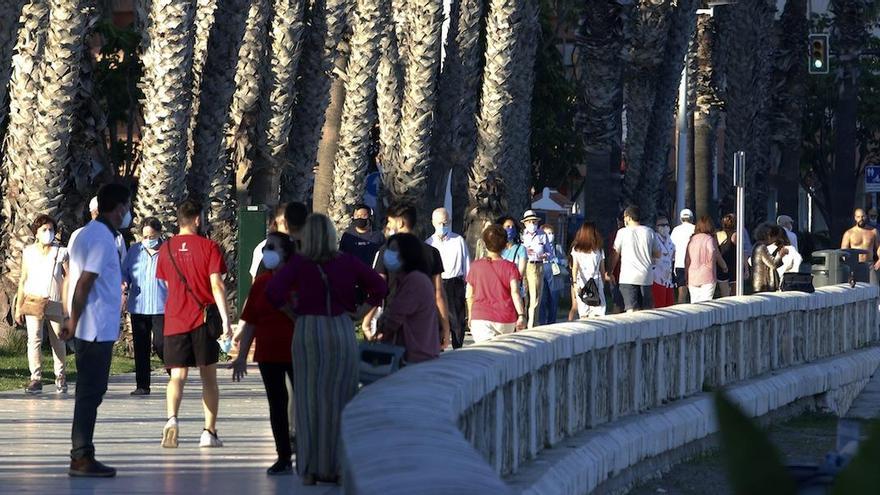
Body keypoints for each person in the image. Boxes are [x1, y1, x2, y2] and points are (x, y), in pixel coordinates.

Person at [266, 214, 387, 485]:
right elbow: (379, 286)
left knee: (308, 399)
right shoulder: (347, 261)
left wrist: (292, 313)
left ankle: (309, 468)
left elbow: (273, 291)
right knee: (340, 397)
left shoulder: (299, 263)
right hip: (340, 328)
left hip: (308, 330)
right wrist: (361, 312)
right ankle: (337, 466)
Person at [60, 183, 132, 477]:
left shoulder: (86, 234)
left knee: (91, 392)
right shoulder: (102, 238)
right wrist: (73, 320)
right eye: (126, 207)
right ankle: (81, 456)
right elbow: (84, 282)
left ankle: (82, 453)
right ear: (119, 209)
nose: (128, 213)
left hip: (93, 327)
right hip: (93, 328)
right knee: (90, 393)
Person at [156, 199, 233, 449]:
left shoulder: (165, 250)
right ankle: (208, 432)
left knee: (177, 375)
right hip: (202, 320)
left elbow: (167, 285)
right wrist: (225, 320)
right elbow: (217, 285)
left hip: (175, 319)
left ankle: (172, 419)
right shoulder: (209, 247)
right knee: (208, 377)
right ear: (198, 219)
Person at [229, 232, 296, 475]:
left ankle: (309, 451)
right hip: (268, 353)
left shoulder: (297, 280)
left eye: (272, 248)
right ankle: (283, 456)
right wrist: (241, 356)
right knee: (277, 405)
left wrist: (286, 307)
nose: (267, 252)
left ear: (286, 253)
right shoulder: (261, 282)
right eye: (266, 247)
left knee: (302, 404)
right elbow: (251, 322)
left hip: (295, 351)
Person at [365, 204, 451, 348]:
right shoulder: (431, 252)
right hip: (425, 324)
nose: (388, 226)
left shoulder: (386, 251)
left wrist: (367, 321)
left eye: (390, 222)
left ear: (400, 223)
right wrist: (446, 328)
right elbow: (438, 293)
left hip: (393, 322)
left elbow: (379, 287)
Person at [16, 214, 68, 394]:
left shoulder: (61, 251)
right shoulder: (29, 252)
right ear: (36, 233)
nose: (48, 233)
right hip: (33, 300)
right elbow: (23, 279)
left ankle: (60, 376)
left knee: (58, 340)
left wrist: (68, 305)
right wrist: (18, 307)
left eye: (51, 229)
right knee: (34, 340)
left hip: (55, 300)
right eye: (44, 230)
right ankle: (35, 378)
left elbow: (68, 278)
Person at [374, 233, 440, 363]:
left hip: (415, 357)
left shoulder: (414, 281)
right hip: (417, 354)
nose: (388, 255)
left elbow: (393, 318)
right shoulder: (413, 279)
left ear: (406, 254)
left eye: (393, 251)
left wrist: (379, 328)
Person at [121, 217, 168, 396]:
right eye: (145, 236)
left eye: (152, 236)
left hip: (161, 306)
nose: (148, 239)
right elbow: (124, 272)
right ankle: (142, 385)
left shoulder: (167, 251)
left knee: (161, 343)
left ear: (159, 234)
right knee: (141, 347)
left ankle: (175, 373)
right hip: (139, 306)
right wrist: (124, 284)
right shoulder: (135, 251)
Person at [466, 225, 526, 342]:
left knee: (484, 356)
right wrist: (521, 315)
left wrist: (470, 314)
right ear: (505, 245)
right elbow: (515, 293)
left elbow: (469, 294)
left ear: (484, 244)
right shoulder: (511, 267)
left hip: (480, 317)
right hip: (505, 318)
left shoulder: (475, 266)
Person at [424, 208, 470, 348]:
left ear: (449, 222)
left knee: (457, 320)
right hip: (436, 283)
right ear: (432, 223)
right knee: (437, 318)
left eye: (444, 223)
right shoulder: (428, 243)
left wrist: (468, 286)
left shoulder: (458, 240)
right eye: (439, 223)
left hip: (454, 283)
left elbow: (466, 264)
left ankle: (458, 348)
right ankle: (438, 348)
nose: (442, 227)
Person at [609, 206, 660, 312]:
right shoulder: (649, 232)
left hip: (628, 277)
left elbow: (615, 253)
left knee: (631, 311)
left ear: (628, 217)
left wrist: (610, 271)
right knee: (646, 310)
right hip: (646, 276)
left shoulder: (622, 232)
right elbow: (657, 253)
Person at [520, 210, 552, 328]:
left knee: (536, 295)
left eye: (534, 222)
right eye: (529, 222)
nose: (532, 224)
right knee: (524, 294)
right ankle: (522, 320)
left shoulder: (542, 234)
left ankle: (532, 323)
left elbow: (549, 252)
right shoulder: (521, 235)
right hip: (524, 265)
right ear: (525, 223)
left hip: (537, 265)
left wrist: (545, 255)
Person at [569, 222, 608, 319]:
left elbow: (575, 268)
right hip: (596, 283)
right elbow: (602, 270)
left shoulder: (576, 249)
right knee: (598, 312)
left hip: (582, 283)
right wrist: (602, 283)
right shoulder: (599, 250)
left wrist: (574, 283)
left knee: (583, 313)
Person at [685, 216, 727, 303]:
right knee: (706, 303)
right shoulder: (709, 239)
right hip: (707, 275)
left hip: (693, 276)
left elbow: (687, 259)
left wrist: (686, 275)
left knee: (694, 302)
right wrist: (723, 266)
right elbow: (714, 252)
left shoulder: (692, 240)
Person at [538, 223, 568, 324]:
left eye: (551, 233)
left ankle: (552, 321)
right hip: (542, 273)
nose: (550, 235)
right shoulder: (538, 246)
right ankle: (541, 322)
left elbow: (566, 261)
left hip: (555, 275)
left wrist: (557, 260)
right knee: (542, 299)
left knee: (554, 299)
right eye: (547, 233)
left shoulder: (557, 247)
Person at [249, 204, 288, 280]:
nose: (288, 226)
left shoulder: (304, 248)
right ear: (275, 224)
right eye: (284, 222)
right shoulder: (262, 249)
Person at [751, 224, 786, 293]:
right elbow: (773, 264)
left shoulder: (756, 245)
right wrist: (780, 255)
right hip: (763, 284)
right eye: (775, 237)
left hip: (758, 283)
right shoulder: (762, 247)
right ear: (769, 236)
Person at [670, 208, 696, 303]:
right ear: (692, 218)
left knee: (682, 291)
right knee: (695, 292)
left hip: (679, 263)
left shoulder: (676, 230)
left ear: (681, 219)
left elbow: (672, 247)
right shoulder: (695, 229)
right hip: (694, 264)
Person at [651, 216, 675, 308]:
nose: (665, 227)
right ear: (656, 227)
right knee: (659, 306)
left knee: (670, 306)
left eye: (666, 224)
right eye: (661, 225)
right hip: (657, 277)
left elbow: (672, 253)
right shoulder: (654, 239)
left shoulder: (669, 239)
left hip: (668, 279)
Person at [716, 214, 739, 297]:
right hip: (733, 264)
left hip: (721, 264)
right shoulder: (736, 235)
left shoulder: (718, 234)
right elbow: (742, 251)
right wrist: (746, 268)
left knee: (724, 294)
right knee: (735, 293)